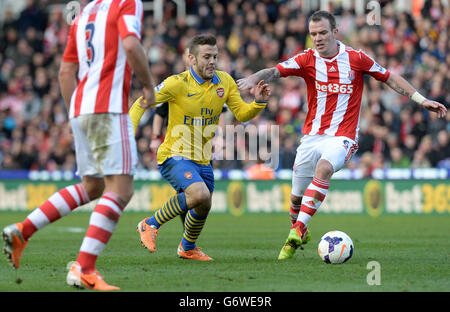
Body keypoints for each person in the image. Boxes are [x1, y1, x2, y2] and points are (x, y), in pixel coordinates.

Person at [237, 10, 447, 260]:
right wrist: (252, 78)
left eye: (323, 32)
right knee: (295, 198)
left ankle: (297, 232)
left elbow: (389, 77)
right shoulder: (306, 59)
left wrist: (421, 100)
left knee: (324, 169)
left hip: (343, 136)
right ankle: (298, 227)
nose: (318, 38)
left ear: (335, 32)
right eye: (313, 34)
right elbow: (273, 71)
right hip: (312, 137)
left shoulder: (356, 58)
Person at [2, 0, 155, 290]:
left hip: (82, 108)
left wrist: (76, 115)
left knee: (93, 186)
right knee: (121, 189)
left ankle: (23, 230)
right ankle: (84, 267)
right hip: (108, 108)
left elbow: (64, 73)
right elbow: (132, 46)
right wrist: (148, 85)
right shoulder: (127, 3)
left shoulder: (84, 12)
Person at [130, 34, 271, 261]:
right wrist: (129, 134)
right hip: (173, 155)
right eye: (206, 57)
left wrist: (259, 102)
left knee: (204, 205)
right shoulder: (177, 83)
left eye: (215, 56)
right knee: (199, 193)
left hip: (202, 159)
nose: (212, 61)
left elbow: (242, 113)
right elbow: (141, 103)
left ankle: (187, 248)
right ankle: (149, 224)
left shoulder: (224, 82)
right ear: (191, 59)